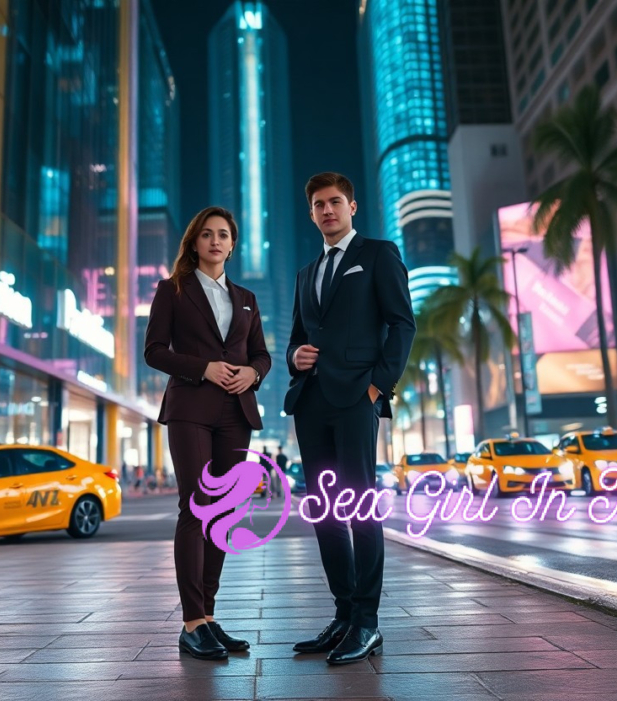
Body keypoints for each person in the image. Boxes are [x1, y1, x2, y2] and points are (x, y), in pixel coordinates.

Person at [284, 172, 415, 665]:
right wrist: (295, 356)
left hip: (357, 397)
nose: (327, 210)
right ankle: (342, 614)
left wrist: (378, 385)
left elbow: (402, 323)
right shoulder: (306, 273)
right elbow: (297, 337)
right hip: (311, 402)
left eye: (335, 201)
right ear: (311, 213)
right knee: (325, 512)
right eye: (319, 204)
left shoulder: (378, 254)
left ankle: (367, 622)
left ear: (352, 207)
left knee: (360, 508)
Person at [144, 206, 272, 660]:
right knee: (196, 507)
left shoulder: (246, 298)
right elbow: (154, 351)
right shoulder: (173, 289)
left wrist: (253, 374)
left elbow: (261, 354)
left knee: (222, 513)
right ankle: (191, 621)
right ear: (194, 243)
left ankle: (209, 618)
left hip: (236, 412)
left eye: (223, 235)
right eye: (207, 234)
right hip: (191, 409)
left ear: (232, 245)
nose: (215, 241)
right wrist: (204, 368)